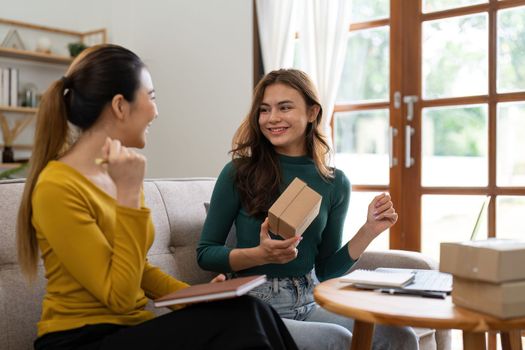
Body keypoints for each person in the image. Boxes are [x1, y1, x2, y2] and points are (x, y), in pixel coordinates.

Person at [16, 44, 298, 350]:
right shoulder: (57, 187)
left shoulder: (121, 172)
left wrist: (195, 297)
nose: (156, 111)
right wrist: (126, 195)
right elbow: (120, 298)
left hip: (129, 331)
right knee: (243, 320)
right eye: (151, 98)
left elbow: (137, 268)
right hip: (79, 339)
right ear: (120, 106)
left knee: (253, 309)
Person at [197, 68, 419, 350]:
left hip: (309, 299)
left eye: (284, 107)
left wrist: (369, 230)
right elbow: (205, 254)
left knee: (400, 335)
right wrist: (259, 254)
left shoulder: (334, 182)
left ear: (313, 112)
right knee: (336, 341)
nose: (272, 118)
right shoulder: (238, 172)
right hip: (255, 305)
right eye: (264, 110)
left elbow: (325, 269)